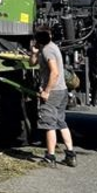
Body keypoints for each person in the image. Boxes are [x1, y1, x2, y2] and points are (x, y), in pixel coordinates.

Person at [31, 26, 75, 167]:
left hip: (54, 92)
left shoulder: (48, 50)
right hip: (62, 91)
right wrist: (34, 53)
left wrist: (46, 91)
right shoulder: (50, 47)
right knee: (61, 122)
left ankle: (50, 157)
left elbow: (54, 72)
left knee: (49, 124)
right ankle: (70, 155)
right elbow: (32, 63)